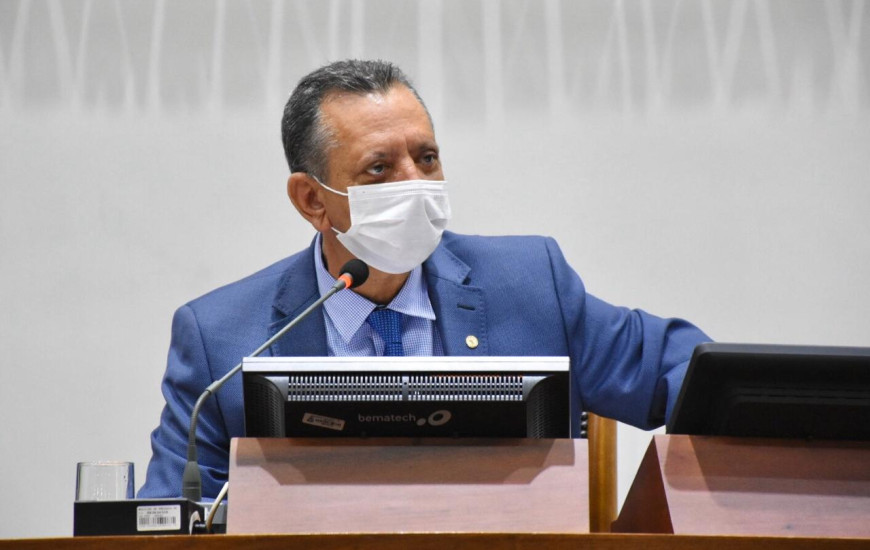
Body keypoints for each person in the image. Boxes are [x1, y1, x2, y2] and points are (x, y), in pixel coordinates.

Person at [138, 59, 710, 499]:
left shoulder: (531, 285)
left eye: (427, 158)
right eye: (380, 168)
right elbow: (169, 517)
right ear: (312, 199)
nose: (416, 182)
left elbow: (685, 370)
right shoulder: (222, 339)